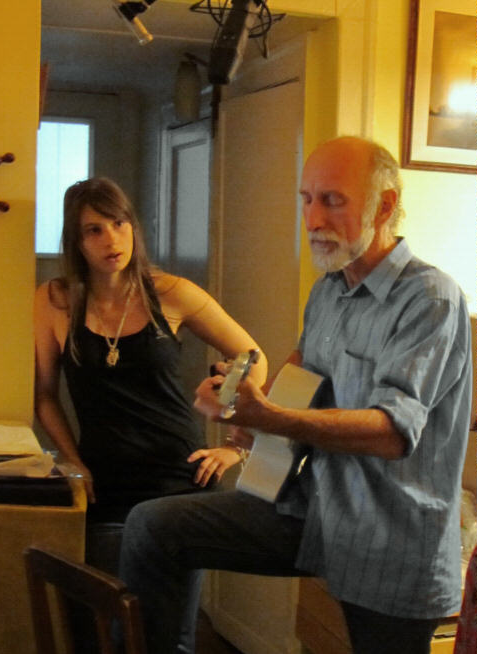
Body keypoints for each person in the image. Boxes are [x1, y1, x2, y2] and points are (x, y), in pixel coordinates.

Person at [119, 136, 472, 654]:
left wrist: (270, 416)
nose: (313, 219)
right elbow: (297, 381)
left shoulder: (430, 298)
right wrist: (239, 404)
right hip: (313, 511)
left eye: (332, 200)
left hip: (389, 539)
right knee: (154, 526)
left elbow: (393, 434)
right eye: (306, 199)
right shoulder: (328, 289)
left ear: (385, 206)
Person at [34, 176, 268, 576]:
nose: (112, 239)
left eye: (119, 223)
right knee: (109, 604)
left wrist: (234, 445)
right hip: (105, 485)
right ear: (76, 241)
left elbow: (252, 357)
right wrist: (72, 461)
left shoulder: (170, 292)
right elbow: (44, 396)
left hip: (180, 480)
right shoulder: (55, 300)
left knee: (171, 612)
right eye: (94, 230)